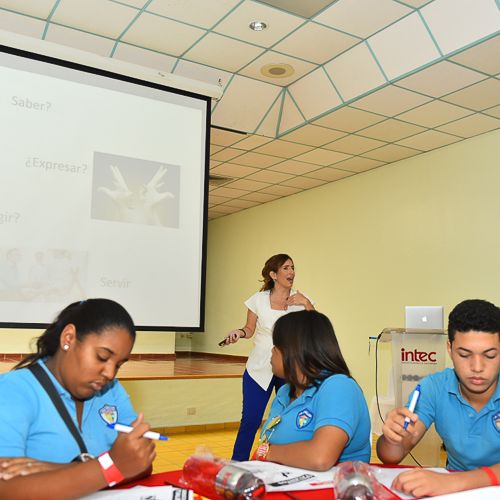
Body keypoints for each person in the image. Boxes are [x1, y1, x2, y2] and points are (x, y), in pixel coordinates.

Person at [0, 298, 155, 498]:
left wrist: (61, 468)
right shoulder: (13, 390)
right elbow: (5, 488)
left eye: (118, 365)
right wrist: (110, 467)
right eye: (102, 357)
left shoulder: (112, 391)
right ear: (69, 338)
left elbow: (141, 463)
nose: (110, 373)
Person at [377, 299, 500, 497]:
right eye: (465, 354)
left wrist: (455, 482)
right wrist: (392, 439)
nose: (477, 367)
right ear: (449, 349)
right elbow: (392, 456)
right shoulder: (433, 388)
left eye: (490, 355)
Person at [222, 253, 314, 461]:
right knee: (251, 420)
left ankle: (283, 461)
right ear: (273, 274)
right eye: (286, 268)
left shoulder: (301, 299)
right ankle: (238, 463)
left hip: (289, 368)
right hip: (259, 368)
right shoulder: (258, 299)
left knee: (289, 419)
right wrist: (238, 333)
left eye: (292, 268)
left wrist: (306, 303)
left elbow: (316, 327)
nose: (291, 272)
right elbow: (249, 329)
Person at [253, 310, 371, 470]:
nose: (272, 351)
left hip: (334, 484)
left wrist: (267, 452)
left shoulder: (339, 386)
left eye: (276, 345)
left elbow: (320, 457)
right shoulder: (284, 392)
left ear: (293, 349)